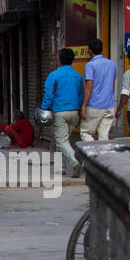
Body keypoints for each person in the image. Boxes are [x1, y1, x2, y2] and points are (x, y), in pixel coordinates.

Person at [41, 48, 85, 178]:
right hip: (74, 113)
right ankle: (62, 168)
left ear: (59, 60)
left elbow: (48, 95)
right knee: (65, 139)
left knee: (61, 141)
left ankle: (75, 161)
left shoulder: (53, 75)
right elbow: (81, 95)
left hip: (60, 112)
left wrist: (44, 108)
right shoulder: (78, 76)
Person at [80, 38, 117, 142]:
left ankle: (92, 155)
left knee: (85, 133)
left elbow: (89, 86)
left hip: (94, 106)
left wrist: (83, 105)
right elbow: (112, 85)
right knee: (104, 137)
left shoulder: (90, 65)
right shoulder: (112, 64)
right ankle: (102, 157)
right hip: (109, 106)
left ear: (90, 51)